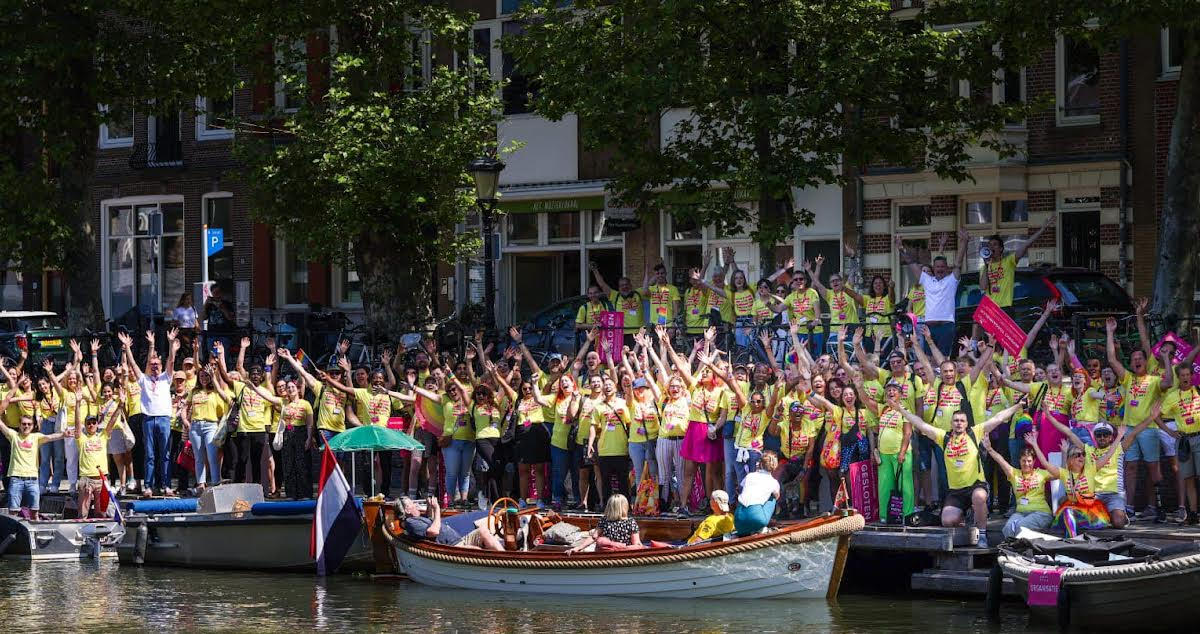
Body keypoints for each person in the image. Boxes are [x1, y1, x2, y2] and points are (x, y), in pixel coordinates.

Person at [894, 399, 1023, 548]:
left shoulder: (975, 432)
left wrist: (1018, 406)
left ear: (967, 424)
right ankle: (967, 516)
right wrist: (902, 410)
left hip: (975, 485)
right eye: (956, 421)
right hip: (955, 491)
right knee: (947, 521)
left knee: (980, 496)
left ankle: (981, 534)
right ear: (951, 423)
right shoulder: (944, 437)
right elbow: (921, 424)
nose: (959, 423)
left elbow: (998, 417)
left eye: (962, 421)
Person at [1106, 316, 1172, 519]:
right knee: (1131, 467)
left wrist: (1167, 359)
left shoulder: (1153, 380)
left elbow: (1169, 382)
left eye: (1140, 359)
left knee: (1153, 468)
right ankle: (1130, 507)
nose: (1136, 361)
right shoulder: (1128, 378)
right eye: (1134, 359)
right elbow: (1111, 359)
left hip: (1149, 429)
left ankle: (1155, 507)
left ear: (1146, 361)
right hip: (1129, 430)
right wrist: (1110, 332)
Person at [117, 328, 179, 496]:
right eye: (152, 365)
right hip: (148, 419)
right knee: (149, 455)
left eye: (157, 365)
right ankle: (149, 486)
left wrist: (171, 342)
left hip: (164, 419)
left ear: (161, 366)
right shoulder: (143, 380)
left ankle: (166, 486)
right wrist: (127, 348)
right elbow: (134, 365)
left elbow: (171, 362)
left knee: (165, 454)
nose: (154, 367)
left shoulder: (167, 378)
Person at [896, 229, 968, 357]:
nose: (940, 269)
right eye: (937, 266)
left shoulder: (952, 280)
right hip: (929, 327)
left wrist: (964, 242)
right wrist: (902, 249)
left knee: (944, 358)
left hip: (946, 326)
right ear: (933, 268)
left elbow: (958, 263)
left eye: (942, 266)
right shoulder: (927, 280)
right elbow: (912, 264)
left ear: (946, 268)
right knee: (930, 359)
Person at [984, 433, 1054, 538]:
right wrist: (989, 449)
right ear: (1019, 461)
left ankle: (1021, 552)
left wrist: (1035, 445)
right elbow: (1001, 460)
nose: (1026, 464)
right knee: (1008, 528)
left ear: (1034, 461)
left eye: (1029, 461)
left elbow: (1057, 473)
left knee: (1021, 527)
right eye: (1024, 461)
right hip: (1021, 513)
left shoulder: (1041, 473)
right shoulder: (1014, 474)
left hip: (1041, 513)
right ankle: (1012, 551)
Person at [979, 215, 1054, 309]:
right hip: (989, 308)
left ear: (1001, 248)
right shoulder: (984, 268)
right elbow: (983, 287)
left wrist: (1042, 230)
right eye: (989, 245)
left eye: (995, 245)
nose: (991, 247)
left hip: (1005, 307)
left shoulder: (1008, 261)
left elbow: (1026, 245)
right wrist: (986, 264)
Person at [398, 495, 504, 551]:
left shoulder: (416, 519)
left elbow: (430, 520)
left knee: (483, 530)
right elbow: (433, 531)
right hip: (452, 546)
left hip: (459, 540)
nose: (416, 505)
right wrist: (437, 509)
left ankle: (502, 556)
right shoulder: (410, 522)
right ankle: (503, 562)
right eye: (413, 504)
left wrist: (430, 507)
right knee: (477, 551)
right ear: (407, 510)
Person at [76, 405, 123, 516]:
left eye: (93, 423)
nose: (91, 425)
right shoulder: (81, 438)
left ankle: (101, 532)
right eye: (88, 423)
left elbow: (112, 421)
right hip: (86, 479)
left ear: (97, 424)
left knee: (102, 512)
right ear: (86, 425)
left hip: (102, 479)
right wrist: (78, 403)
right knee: (82, 513)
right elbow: (77, 424)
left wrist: (120, 405)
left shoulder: (103, 436)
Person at [567, 493, 645, 552]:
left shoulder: (604, 520)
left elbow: (593, 537)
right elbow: (637, 544)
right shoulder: (631, 522)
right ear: (625, 507)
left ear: (609, 507)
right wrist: (622, 548)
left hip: (605, 555)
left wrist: (578, 548)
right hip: (623, 556)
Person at [735, 451, 780, 536]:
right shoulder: (774, 482)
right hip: (757, 519)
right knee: (773, 497)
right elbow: (777, 497)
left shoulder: (749, 476)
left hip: (738, 520)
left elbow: (739, 489)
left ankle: (748, 528)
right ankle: (761, 528)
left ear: (760, 464)